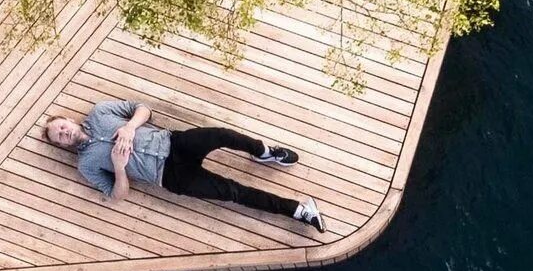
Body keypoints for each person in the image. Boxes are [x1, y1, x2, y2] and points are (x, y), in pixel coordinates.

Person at [44, 99, 325, 231]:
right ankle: (299, 210)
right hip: (170, 177)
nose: (64, 133)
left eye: (61, 127)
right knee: (233, 193)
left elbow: (144, 109)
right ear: (62, 146)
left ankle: (263, 152)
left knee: (222, 135)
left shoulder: (100, 112)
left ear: (68, 119)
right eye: (59, 137)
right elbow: (116, 196)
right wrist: (119, 166)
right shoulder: (87, 165)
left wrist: (129, 127)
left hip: (174, 143)